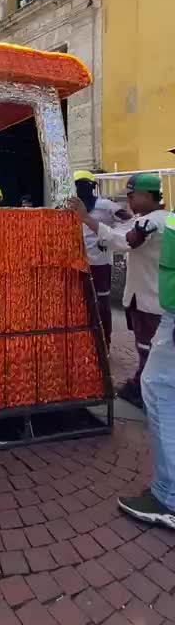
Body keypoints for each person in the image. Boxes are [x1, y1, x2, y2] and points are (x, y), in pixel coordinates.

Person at [70, 173, 168, 408]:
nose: (129, 202)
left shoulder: (149, 222)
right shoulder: (164, 218)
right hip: (149, 293)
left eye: (132, 197)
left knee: (148, 346)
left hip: (149, 295)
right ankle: (142, 384)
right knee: (150, 345)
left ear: (146, 196)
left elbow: (125, 241)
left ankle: (147, 392)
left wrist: (86, 218)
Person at [118, 197, 175, 528]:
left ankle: (167, 496)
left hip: (166, 312)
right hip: (162, 307)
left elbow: (126, 241)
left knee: (157, 386)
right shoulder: (158, 217)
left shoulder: (155, 220)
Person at [73, 170, 130, 350]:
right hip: (78, 263)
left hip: (101, 263)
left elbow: (128, 219)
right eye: (78, 184)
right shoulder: (71, 205)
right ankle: (86, 340)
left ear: (93, 187)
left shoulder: (105, 205)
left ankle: (105, 340)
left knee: (102, 303)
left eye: (85, 184)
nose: (82, 188)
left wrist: (110, 238)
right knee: (82, 302)